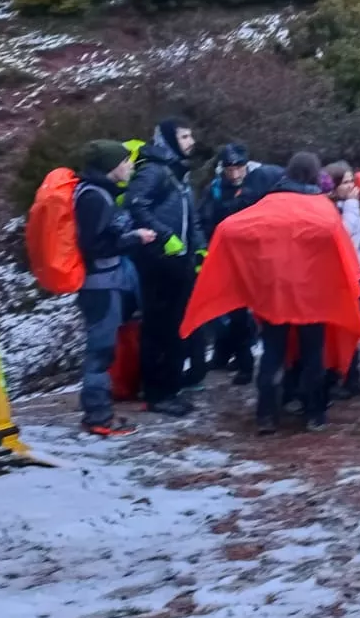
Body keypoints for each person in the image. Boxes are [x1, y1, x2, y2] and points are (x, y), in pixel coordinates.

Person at [183, 152, 360, 434]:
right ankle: (314, 413)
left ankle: (266, 415)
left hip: (274, 295)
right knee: (312, 354)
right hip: (311, 296)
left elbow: (230, 227)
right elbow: (338, 238)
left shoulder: (269, 203)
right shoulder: (321, 207)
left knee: (272, 354)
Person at [74, 140, 156, 437]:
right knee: (101, 352)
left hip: (105, 283)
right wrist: (135, 237)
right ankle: (98, 417)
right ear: (111, 166)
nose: (130, 166)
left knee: (104, 350)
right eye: (125, 161)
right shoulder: (94, 198)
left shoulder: (98, 193)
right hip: (100, 286)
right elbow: (94, 246)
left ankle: (99, 411)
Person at [124, 118, 203, 417]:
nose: (190, 141)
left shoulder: (178, 173)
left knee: (174, 327)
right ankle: (158, 393)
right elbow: (135, 204)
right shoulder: (154, 170)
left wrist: (200, 247)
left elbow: (191, 218)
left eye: (190, 135)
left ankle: (170, 386)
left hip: (179, 261)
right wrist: (166, 237)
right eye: (184, 136)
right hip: (157, 261)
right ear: (169, 139)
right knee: (159, 328)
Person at [201, 143, 265, 385]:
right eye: (230, 169)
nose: (235, 174)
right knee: (229, 311)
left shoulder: (258, 186)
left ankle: (242, 359)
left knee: (248, 313)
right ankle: (238, 359)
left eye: (239, 168)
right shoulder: (214, 190)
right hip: (225, 257)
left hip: (254, 258)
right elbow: (203, 220)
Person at [325, 160, 360, 400]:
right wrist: (353, 206)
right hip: (338, 280)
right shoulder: (331, 208)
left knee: (355, 328)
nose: (351, 186)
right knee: (340, 331)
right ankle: (335, 377)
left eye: (351, 181)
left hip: (358, 273)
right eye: (345, 182)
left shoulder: (350, 206)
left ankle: (352, 377)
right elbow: (343, 234)